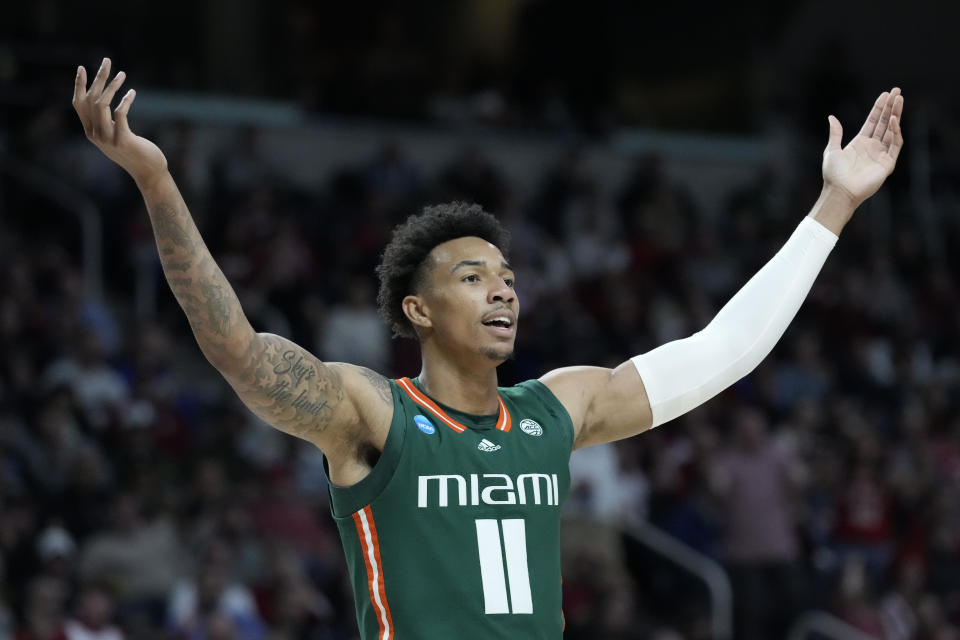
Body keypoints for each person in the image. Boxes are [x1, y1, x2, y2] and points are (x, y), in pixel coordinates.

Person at [72, 57, 904, 639]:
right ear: (418, 310)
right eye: (473, 278)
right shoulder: (374, 413)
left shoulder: (558, 408)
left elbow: (725, 349)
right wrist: (155, 179)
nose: (504, 289)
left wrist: (831, 208)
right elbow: (239, 351)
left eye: (508, 276)